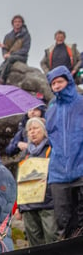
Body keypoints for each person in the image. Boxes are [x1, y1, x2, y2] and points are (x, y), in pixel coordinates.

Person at [45, 66, 83, 239]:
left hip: (81, 169)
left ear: (68, 81)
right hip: (58, 173)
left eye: (60, 81)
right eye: (53, 83)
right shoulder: (51, 110)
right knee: (63, 221)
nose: (57, 86)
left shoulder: (81, 103)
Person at [16, 118, 58, 247]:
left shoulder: (52, 149)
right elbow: (19, 180)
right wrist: (18, 206)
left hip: (48, 203)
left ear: (44, 131)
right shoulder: (25, 154)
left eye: (36, 128)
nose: (32, 132)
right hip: (28, 205)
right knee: (35, 245)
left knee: (52, 240)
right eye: (30, 130)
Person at [0, 15, 31, 84]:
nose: (17, 23)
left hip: (21, 57)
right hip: (9, 57)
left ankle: (2, 79)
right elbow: (5, 47)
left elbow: (25, 49)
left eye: (19, 22)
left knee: (10, 59)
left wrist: (11, 54)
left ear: (22, 23)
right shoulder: (8, 36)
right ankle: (0, 79)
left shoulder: (26, 35)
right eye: (15, 22)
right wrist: (5, 54)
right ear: (13, 24)